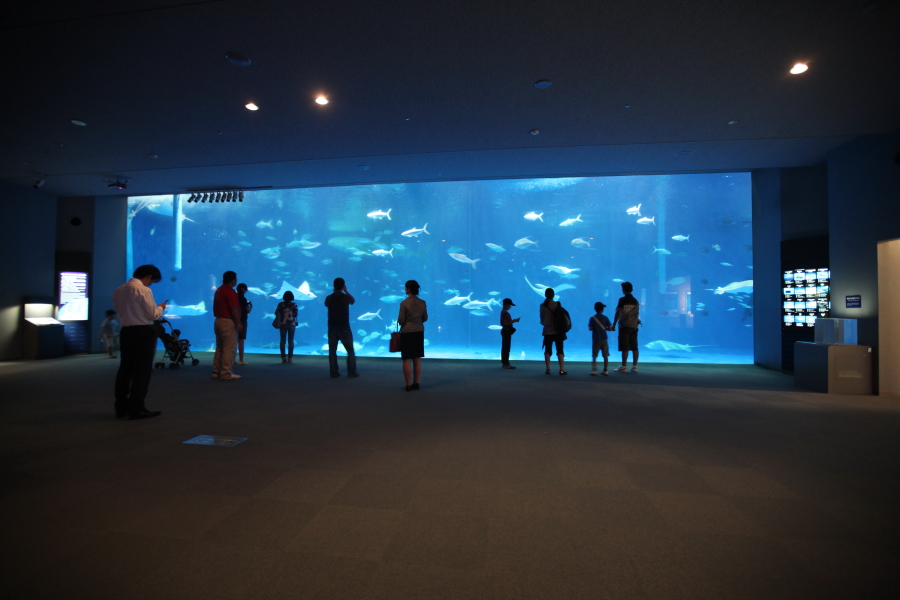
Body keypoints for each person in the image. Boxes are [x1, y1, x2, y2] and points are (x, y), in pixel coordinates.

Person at [111, 264, 166, 420]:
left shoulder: (119, 290)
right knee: (142, 371)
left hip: (126, 332)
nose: (151, 284)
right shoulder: (144, 290)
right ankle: (137, 408)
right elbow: (152, 315)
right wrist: (161, 307)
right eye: (152, 281)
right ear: (148, 276)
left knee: (125, 369)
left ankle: (121, 407)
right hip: (143, 333)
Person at [324, 277, 359, 378]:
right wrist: (346, 291)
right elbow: (353, 301)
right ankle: (352, 372)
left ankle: (334, 372)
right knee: (350, 350)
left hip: (332, 327)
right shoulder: (346, 297)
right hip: (344, 327)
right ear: (343, 286)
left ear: (333, 286)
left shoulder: (329, 298)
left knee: (332, 351)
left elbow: (326, 304)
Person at [212, 271, 243, 380]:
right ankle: (226, 373)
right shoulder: (230, 291)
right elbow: (233, 308)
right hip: (227, 322)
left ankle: (216, 371)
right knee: (229, 348)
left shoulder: (219, 290)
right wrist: (238, 322)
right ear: (233, 280)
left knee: (220, 348)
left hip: (218, 321)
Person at [398, 280, 427, 391]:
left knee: (407, 358)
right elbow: (425, 318)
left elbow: (401, 320)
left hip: (407, 332)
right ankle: (416, 383)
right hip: (419, 331)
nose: (405, 289)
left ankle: (408, 384)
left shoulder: (404, 303)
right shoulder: (422, 302)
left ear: (408, 289)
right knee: (416, 357)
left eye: (406, 287)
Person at [611, 281, 641, 373]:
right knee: (634, 347)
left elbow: (618, 312)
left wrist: (614, 323)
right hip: (634, 326)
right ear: (632, 290)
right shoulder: (635, 301)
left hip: (624, 326)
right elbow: (637, 313)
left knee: (625, 347)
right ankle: (635, 366)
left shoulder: (622, 300)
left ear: (623, 290)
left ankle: (624, 366)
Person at [540, 288, 567, 375]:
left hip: (547, 330)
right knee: (560, 350)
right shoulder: (557, 304)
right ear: (553, 295)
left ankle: (548, 369)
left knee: (547, 350)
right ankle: (561, 369)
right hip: (557, 330)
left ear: (545, 295)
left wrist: (546, 323)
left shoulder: (542, 306)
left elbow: (542, 320)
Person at [589, 302, 613, 376]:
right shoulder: (605, 318)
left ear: (595, 309)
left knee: (594, 355)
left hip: (596, 339)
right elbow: (609, 328)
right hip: (604, 338)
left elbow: (591, 328)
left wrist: (596, 328)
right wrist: (605, 328)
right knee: (605, 355)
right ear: (602, 309)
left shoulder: (592, 318)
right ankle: (605, 370)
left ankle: (594, 370)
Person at [276, 291, 298, 363]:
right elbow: (296, 314)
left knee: (282, 341)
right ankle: (290, 358)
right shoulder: (294, 304)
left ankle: (283, 358)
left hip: (282, 324)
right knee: (291, 341)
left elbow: (276, 312)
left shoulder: (281, 304)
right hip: (292, 324)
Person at [499, 298, 520, 369]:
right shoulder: (505, 313)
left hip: (505, 331)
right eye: (510, 305)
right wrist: (514, 320)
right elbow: (506, 323)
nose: (510, 307)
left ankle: (505, 363)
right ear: (506, 305)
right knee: (506, 347)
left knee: (505, 347)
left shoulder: (503, 312)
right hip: (506, 331)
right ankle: (506, 363)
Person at [236, 283, 252, 365]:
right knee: (241, 340)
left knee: (233, 340)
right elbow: (247, 310)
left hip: (233, 320)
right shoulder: (243, 299)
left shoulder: (234, 297)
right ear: (243, 289)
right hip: (242, 320)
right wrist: (251, 305)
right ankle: (241, 360)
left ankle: (232, 360)